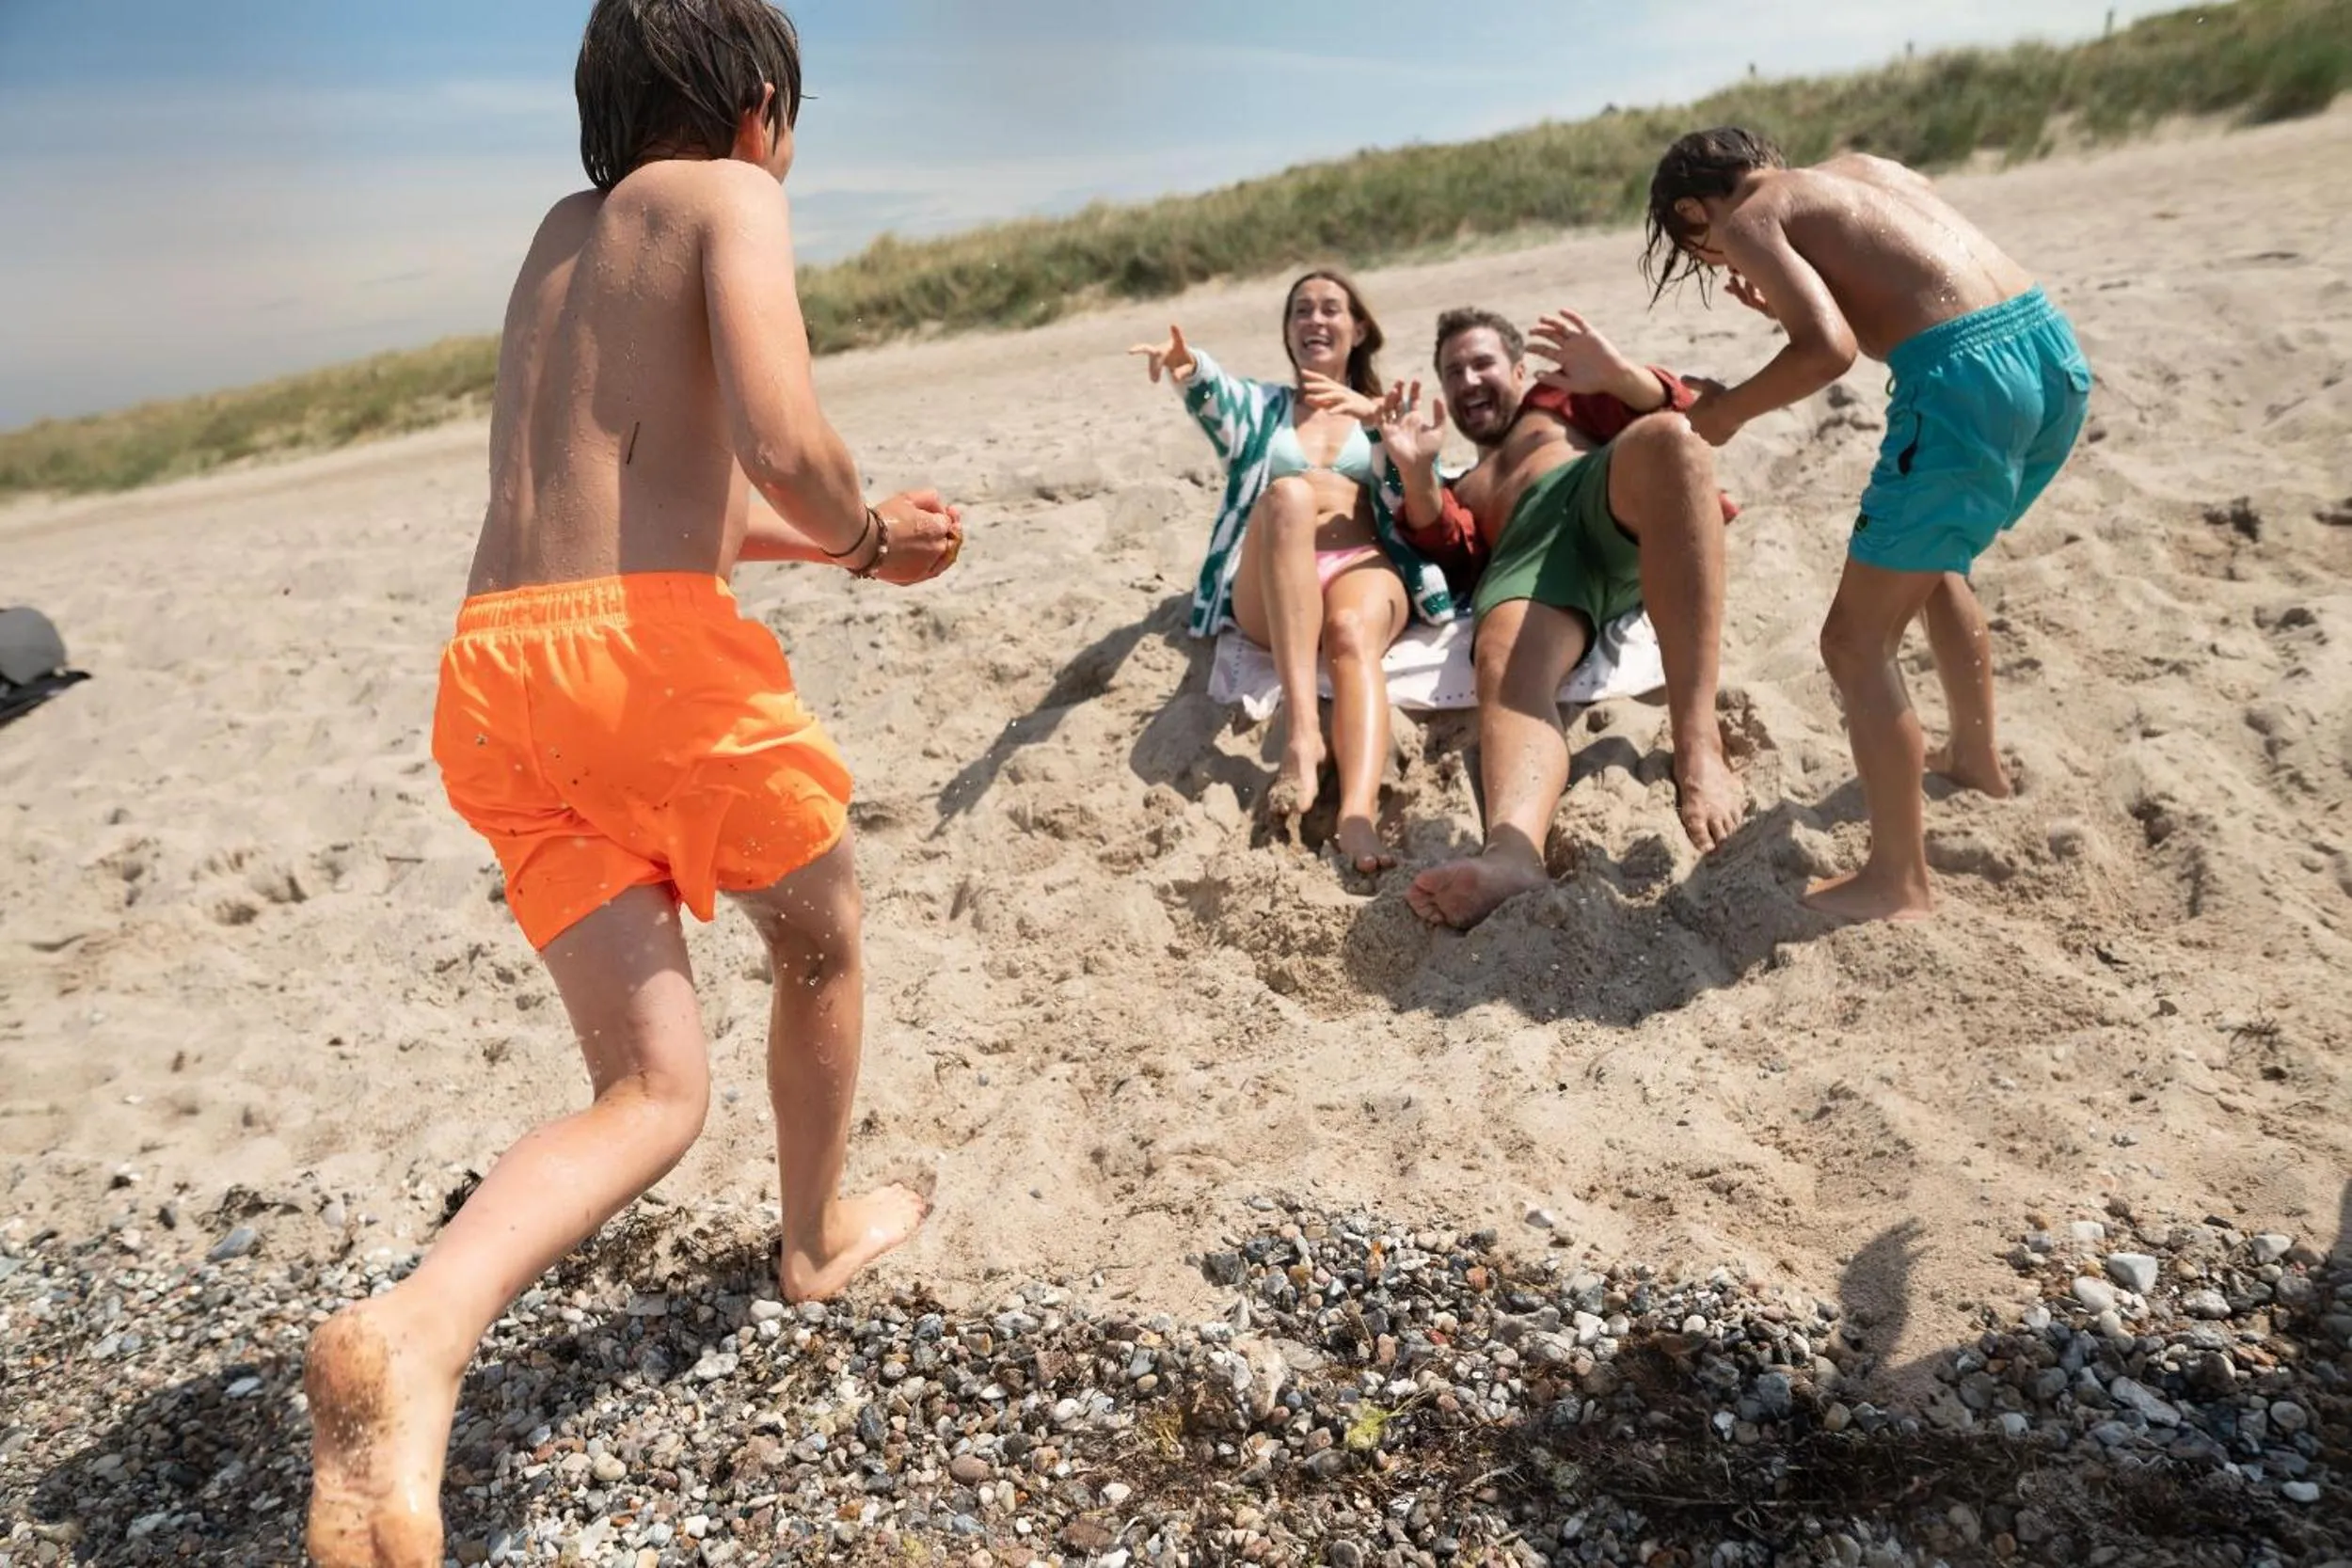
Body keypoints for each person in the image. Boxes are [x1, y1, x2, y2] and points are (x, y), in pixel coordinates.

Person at [303, 4, 961, 1563]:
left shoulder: (558, 239)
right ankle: (811, 1241)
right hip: (640, 673)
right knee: (822, 939)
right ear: (760, 106)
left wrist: (841, 556)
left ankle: (416, 1331)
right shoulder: (737, 196)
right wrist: (863, 528)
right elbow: (789, 445)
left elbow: (664, 501)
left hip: (495, 676)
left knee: (654, 1087)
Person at [1645, 126, 2092, 923]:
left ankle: (1898, 881)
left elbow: (1829, 350)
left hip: (1963, 386)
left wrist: (1728, 413)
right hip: (2049, 349)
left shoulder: (1748, 218)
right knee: (1932, 560)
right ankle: (1978, 761)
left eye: (1699, 248)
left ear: (1693, 208)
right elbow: (1906, 265)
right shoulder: (1859, 168)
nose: (1719, 259)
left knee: (1852, 642)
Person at [1373, 307, 1745, 929]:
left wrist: (1623, 376)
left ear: (1520, 370)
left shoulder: (1560, 399)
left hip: (1597, 493)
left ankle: (1699, 743)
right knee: (1500, 654)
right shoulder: (1463, 485)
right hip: (1528, 557)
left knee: (1672, 442)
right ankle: (1514, 851)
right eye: (1452, 371)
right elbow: (1450, 555)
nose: (1467, 380)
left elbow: (1686, 409)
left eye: (1481, 362)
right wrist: (1418, 477)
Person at [1130, 272, 1454, 873]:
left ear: (1359, 329)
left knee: (1352, 634)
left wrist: (1393, 437)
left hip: (1362, 562)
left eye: (1331, 308)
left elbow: (1425, 507)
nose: (1315, 320)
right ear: (1287, 331)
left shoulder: (1381, 411)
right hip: (1272, 581)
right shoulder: (1264, 409)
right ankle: (1304, 735)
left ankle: (1358, 817)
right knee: (1288, 497)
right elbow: (1217, 395)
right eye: (1300, 310)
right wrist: (1188, 363)